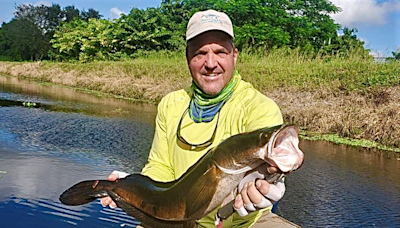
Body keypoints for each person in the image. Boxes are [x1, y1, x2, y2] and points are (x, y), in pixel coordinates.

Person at [101, 9, 286, 228]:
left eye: (220, 52)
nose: (210, 63)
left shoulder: (259, 108)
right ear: (188, 58)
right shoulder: (171, 104)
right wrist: (139, 187)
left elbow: (267, 173)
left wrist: (268, 185)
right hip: (178, 219)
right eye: (200, 53)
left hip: (244, 223)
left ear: (234, 55)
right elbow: (160, 166)